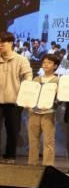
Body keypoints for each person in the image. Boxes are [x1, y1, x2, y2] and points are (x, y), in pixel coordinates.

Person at [0, 32, 33, 163]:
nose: (0, 45)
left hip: (14, 101)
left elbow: (28, 76)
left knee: (13, 131)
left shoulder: (21, 59)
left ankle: (10, 156)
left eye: (3, 42)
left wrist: (25, 94)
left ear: (11, 43)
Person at [27, 54, 59, 165]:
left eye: (49, 63)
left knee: (48, 141)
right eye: (44, 62)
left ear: (55, 66)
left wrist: (54, 104)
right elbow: (30, 94)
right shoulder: (36, 79)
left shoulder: (57, 80)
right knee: (33, 140)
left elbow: (59, 98)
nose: (46, 65)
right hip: (34, 112)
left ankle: (48, 165)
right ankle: (32, 164)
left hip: (48, 113)